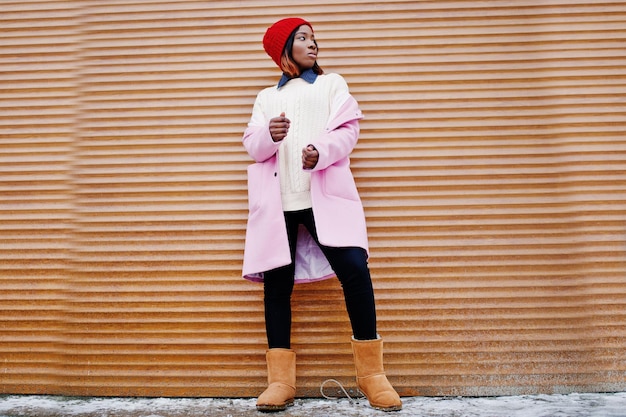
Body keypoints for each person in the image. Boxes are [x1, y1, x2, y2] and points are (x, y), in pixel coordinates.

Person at [241, 17, 402, 413]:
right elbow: (252, 144)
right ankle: (280, 382)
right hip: (278, 201)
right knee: (277, 286)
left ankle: (372, 377)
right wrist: (269, 136)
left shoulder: (332, 84)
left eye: (313, 38)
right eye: (302, 39)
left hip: (322, 197)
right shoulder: (266, 97)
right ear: (284, 51)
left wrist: (320, 151)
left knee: (354, 269)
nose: (313, 44)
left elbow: (348, 131)